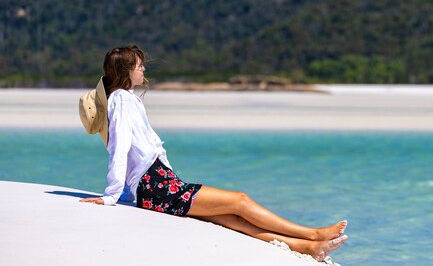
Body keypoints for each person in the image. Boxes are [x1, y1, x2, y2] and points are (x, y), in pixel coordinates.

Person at [79, 45, 348, 261]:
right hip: (156, 186)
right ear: (126, 71)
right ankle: (313, 234)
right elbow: (120, 147)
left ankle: (307, 248)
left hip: (158, 184)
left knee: (232, 219)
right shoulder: (122, 100)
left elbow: (134, 152)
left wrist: (128, 192)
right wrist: (112, 195)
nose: (143, 69)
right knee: (240, 201)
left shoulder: (125, 99)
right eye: (139, 65)